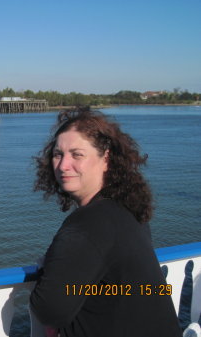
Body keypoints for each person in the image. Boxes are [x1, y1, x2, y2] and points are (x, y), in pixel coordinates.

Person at [29, 107, 182, 337]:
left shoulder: (88, 223)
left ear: (106, 159)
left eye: (77, 154)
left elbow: (50, 309)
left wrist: (46, 270)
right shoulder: (128, 210)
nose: (63, 165)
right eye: (58, 154)